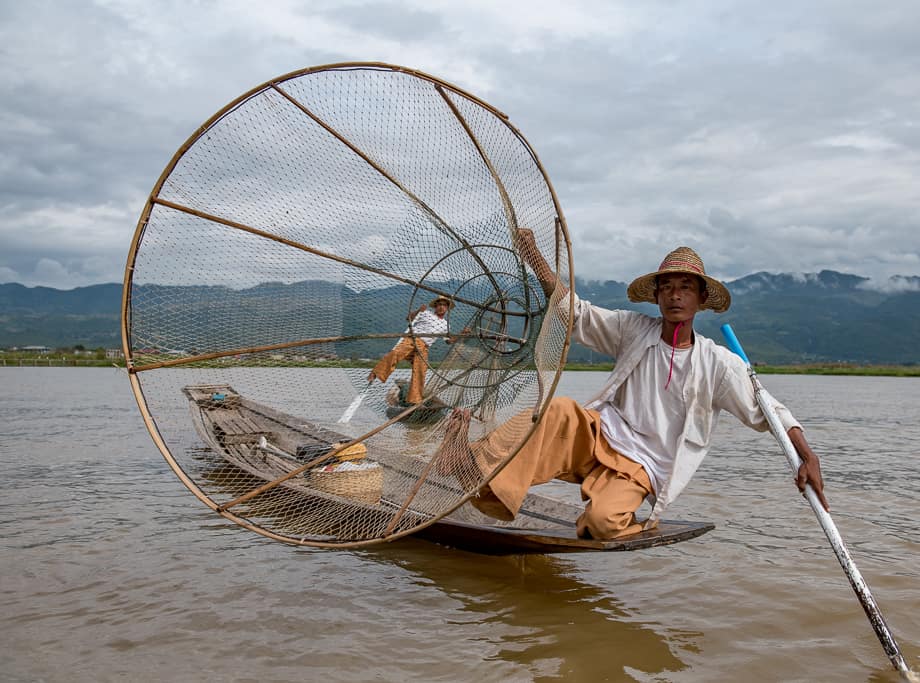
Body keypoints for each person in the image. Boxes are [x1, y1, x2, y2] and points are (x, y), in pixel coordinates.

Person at [436, 229, 828, 540]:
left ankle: (601, 516)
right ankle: (466, 461)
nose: (675, 295)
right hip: (598, 436)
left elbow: (770, 412)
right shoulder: (633, 330)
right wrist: (534, 256)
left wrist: (807, 457)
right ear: (656, 296)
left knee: (605, 524)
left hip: (640, 468)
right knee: (557, 412)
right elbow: (574, 312)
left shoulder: (717, 364)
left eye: (686, 287)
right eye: (668, 287)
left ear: (700, 298)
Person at [367, 295, 456, 405]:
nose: (441, 307)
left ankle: (415, 400)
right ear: (435, 306)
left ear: (447, 308)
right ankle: (375, 372)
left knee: (421, 370)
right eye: (439, 305)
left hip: (424, 347)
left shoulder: (446, 325)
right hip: (412, 339)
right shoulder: (426, 313)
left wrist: (462, 335)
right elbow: (408, 318)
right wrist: (419, 310)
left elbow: (449, 341)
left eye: (444, 305)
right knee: (396, 353)